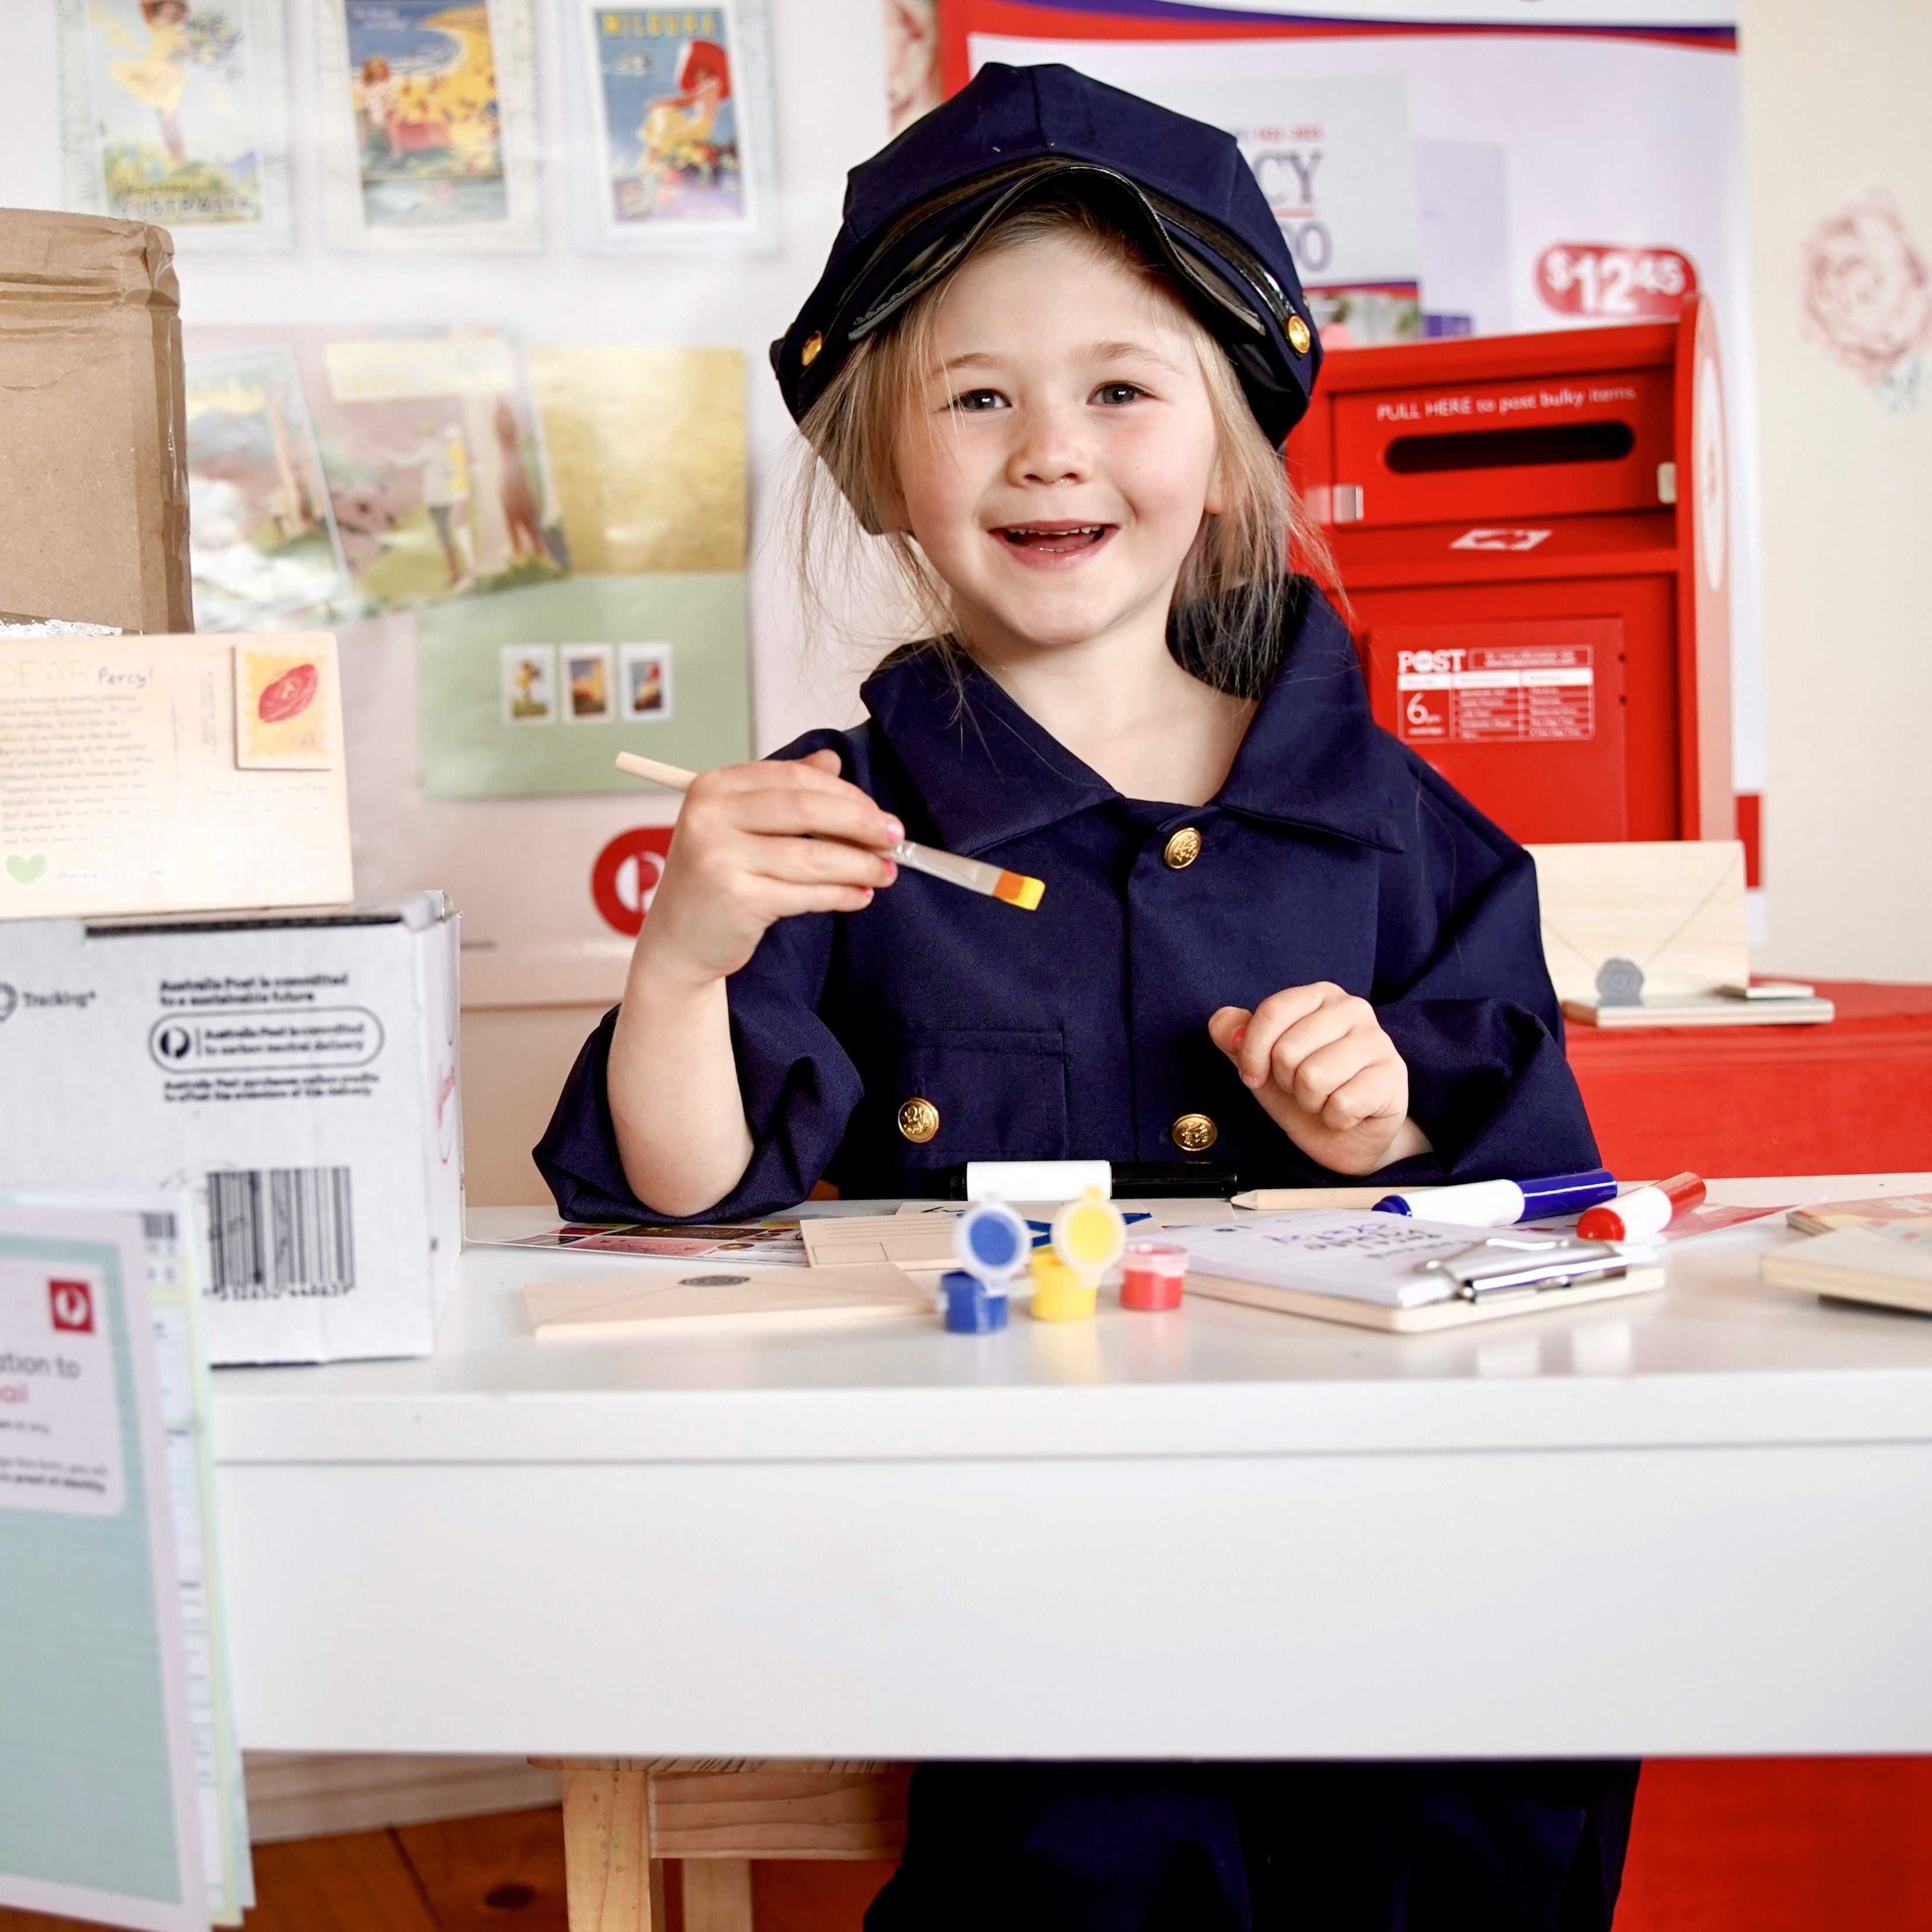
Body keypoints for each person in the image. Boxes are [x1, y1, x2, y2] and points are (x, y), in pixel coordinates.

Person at [537, 61, 1635, 1931]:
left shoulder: (1390, 824)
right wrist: (682, 961)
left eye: (1118, 389)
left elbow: (1542, 1226)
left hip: (1363, 1532)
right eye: (976, 397)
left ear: (1221, 438)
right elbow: (682, 1195)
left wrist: (1384, 1129)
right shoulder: (843, 819)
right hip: (994, 1548)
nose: (1048, 449)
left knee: (1504, 1743)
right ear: (883, 461)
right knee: (1088, 1822)